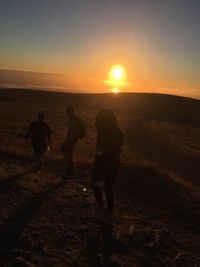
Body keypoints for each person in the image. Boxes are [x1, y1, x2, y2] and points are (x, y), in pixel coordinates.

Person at [92, 109, 124, 214]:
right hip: (114, 163)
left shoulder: (102, 133)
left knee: (96, 184)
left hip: (102, 164)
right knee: (108, 187)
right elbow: (119, 146)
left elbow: (99, 151)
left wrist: (97, 164)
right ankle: (109, 210)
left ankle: (101, 206)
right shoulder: (118, 131)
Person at [61, 106, 85, 177]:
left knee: (65, 150)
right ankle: (70, 168)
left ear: (70, 111)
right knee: (68, 152)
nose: (67, 113)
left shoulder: (74, 119)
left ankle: (69, 168)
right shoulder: (73, 118)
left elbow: (72, 130)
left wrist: (68, 139)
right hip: (71, 139)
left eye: (67, 111)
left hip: (71, 139)